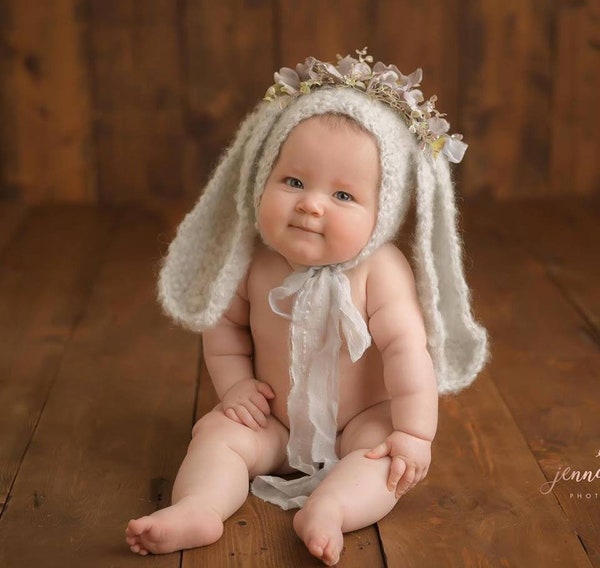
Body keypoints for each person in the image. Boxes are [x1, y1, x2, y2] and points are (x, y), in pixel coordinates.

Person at [126, 49, 488, 566]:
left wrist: (412, 432)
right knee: (216, 434)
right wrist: (236, 389)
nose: (311, 203)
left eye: (343, 195)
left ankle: (332, 508)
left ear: (383, 214)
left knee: (385, 462)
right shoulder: (254, 259)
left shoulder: (381, 271)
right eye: (293, 182)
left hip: (361, 420)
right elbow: (223, 329)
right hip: (274, 416)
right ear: (261, 180)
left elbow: (408, 352)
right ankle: (198, 508)